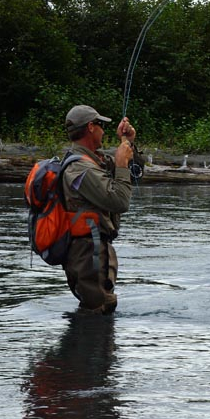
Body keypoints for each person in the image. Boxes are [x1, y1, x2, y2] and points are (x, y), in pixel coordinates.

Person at [61, 104, 142, 314]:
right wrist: (121, 164)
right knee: (98, 310)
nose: (104, 130)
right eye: (100, 125)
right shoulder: (79, 169)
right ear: (90, 127)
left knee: (100, 310)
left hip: (95, 250)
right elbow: (119, 202)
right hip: (88, 254)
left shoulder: (95, 160)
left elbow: (134, 174)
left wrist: (129, 142)